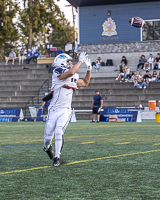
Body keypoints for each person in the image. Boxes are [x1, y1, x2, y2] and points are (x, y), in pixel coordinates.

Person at [43, 52, 91, 167]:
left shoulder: (73, 76)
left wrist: (89, 69)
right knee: (47, 137)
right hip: (54, 110)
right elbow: (70, 72)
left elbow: (85, 82)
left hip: (65, 110)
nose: (71, 63)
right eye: (69, 61)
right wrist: (80, 61)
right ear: (62, 62)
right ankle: (47, 147)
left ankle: (57, 157)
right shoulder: (57, 71)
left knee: (59, 131)